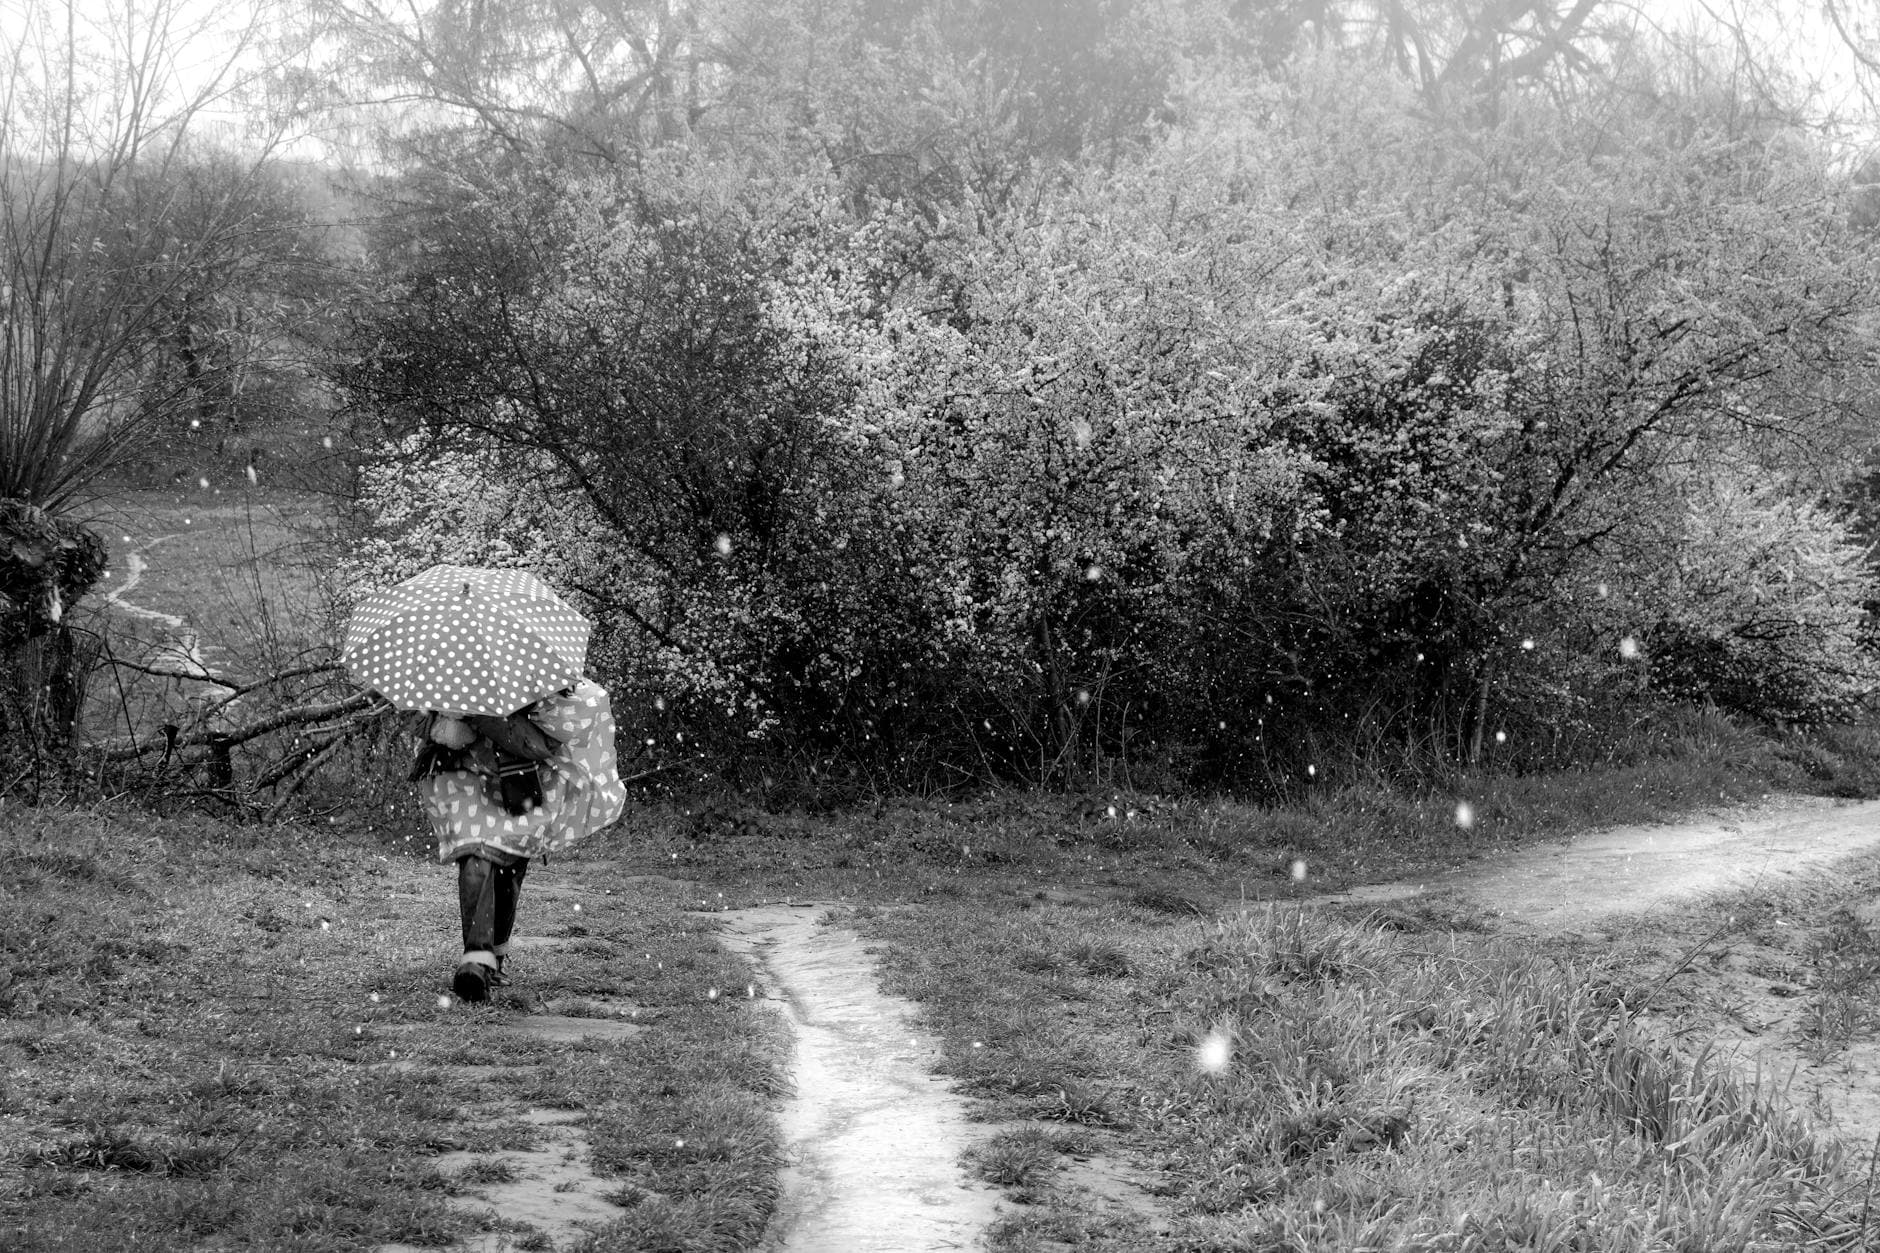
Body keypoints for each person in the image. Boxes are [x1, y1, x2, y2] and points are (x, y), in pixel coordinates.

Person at [407, 678, 627, 1002]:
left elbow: (541, 742)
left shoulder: (539, 681)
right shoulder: (444, 673)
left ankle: (494, 955)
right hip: (462, 779)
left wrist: (486, 717)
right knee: (476, 855)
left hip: (517, 783)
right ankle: (476, 959)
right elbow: (421, 723)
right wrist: (447, 718)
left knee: (507, 868)